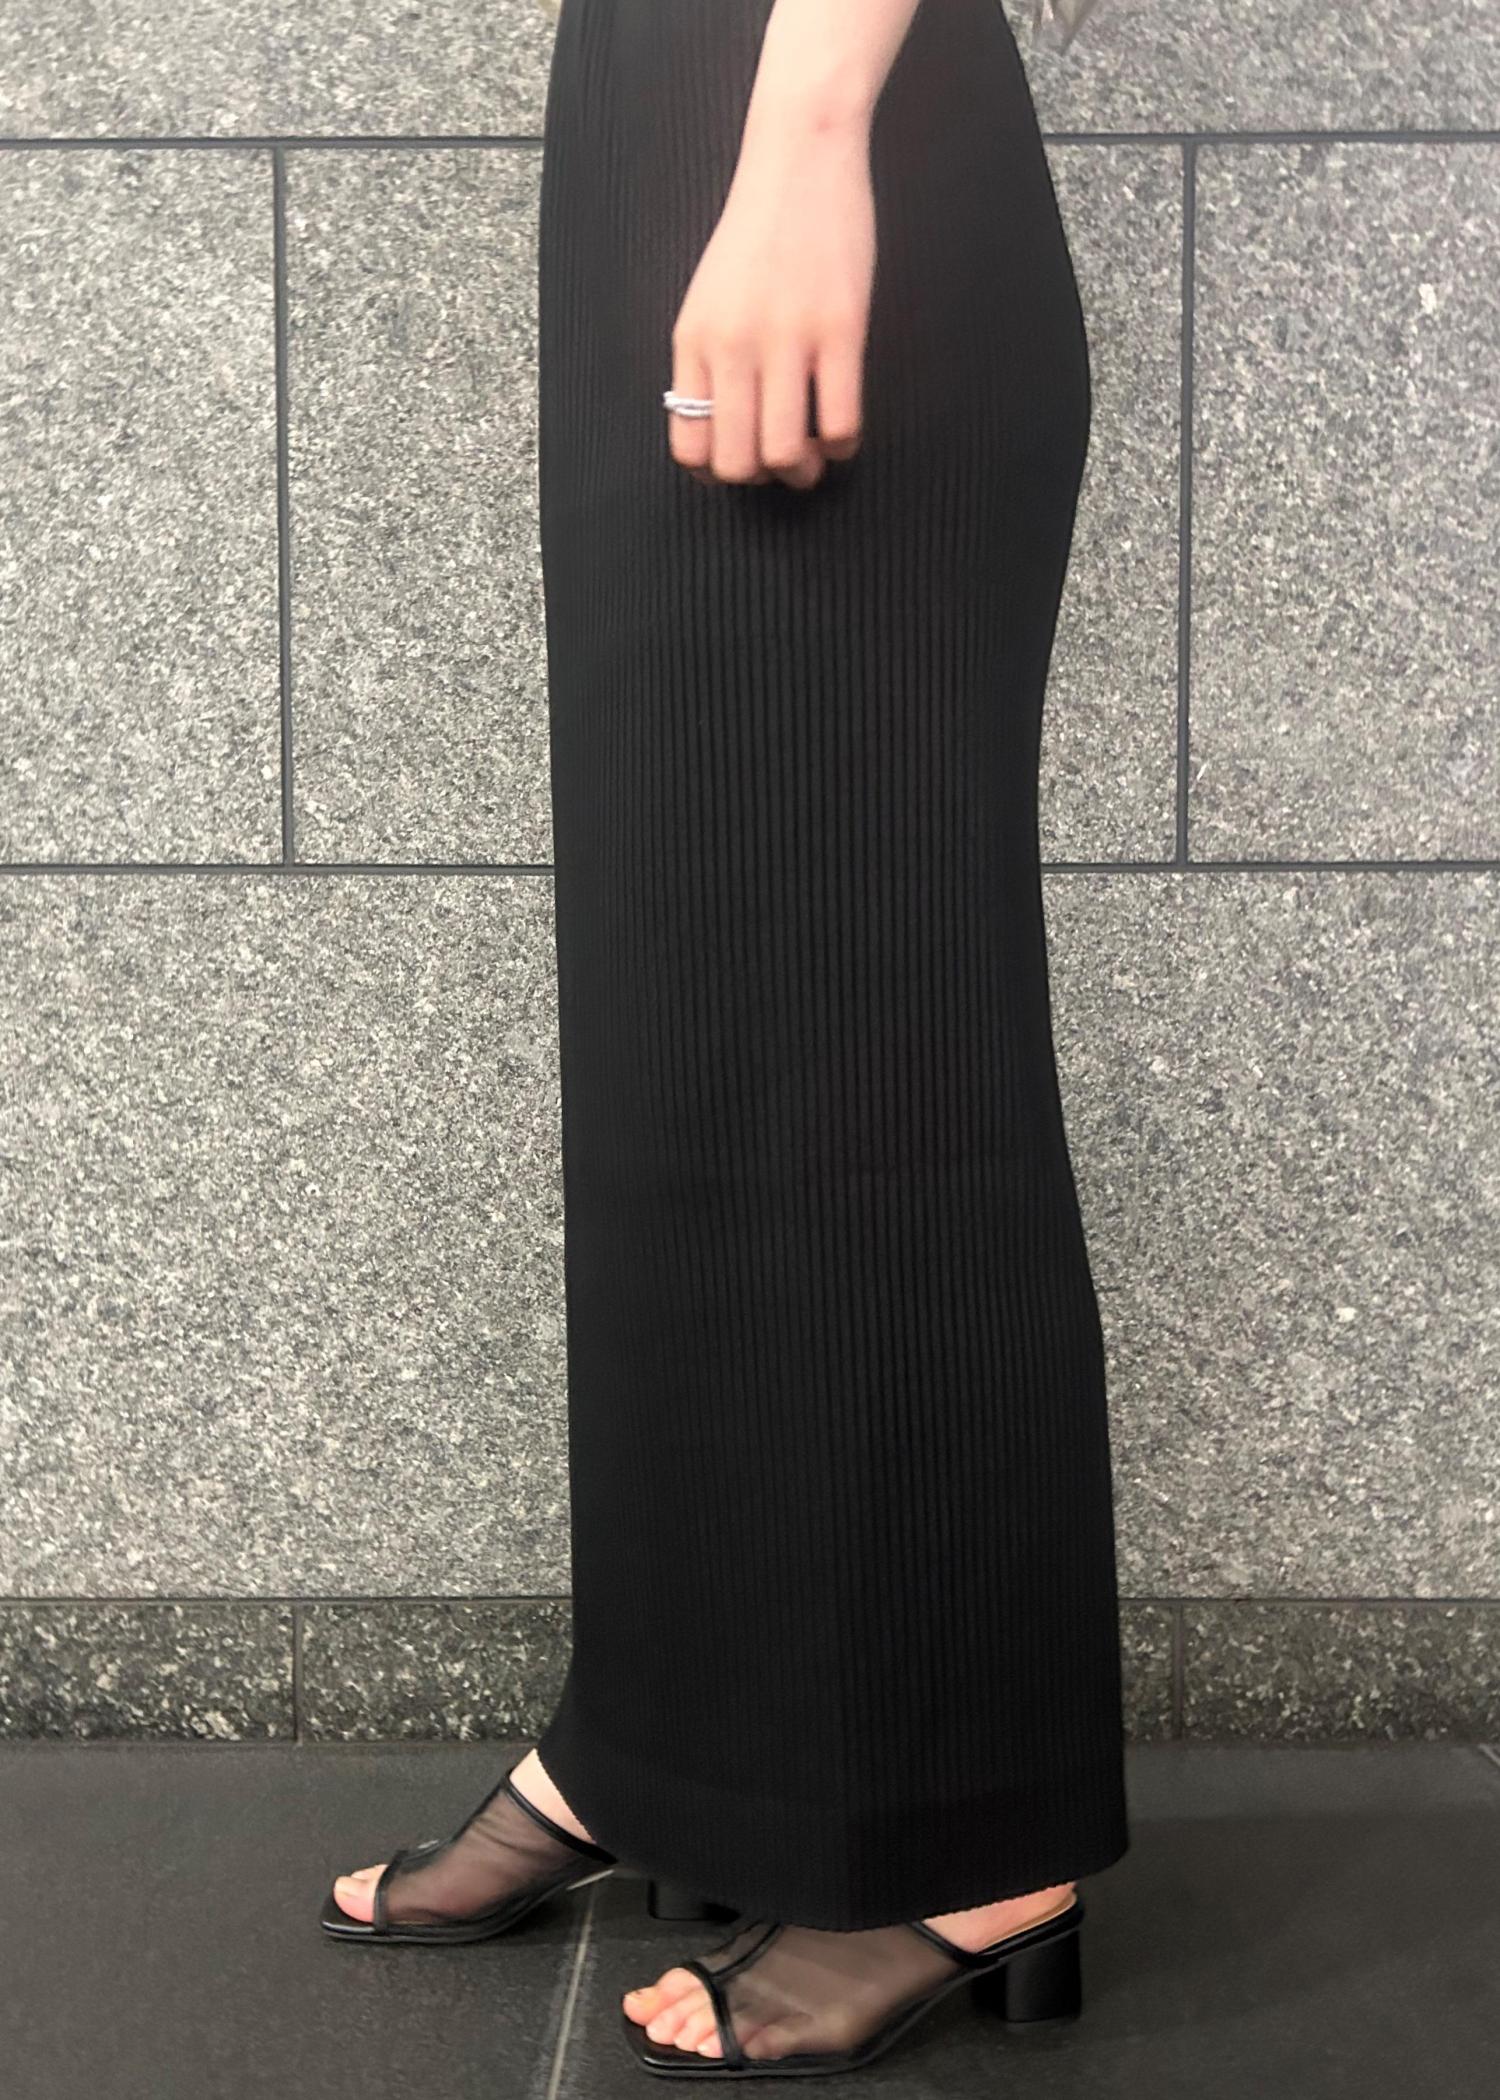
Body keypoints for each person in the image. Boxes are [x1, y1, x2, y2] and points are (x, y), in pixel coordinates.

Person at [318, 0, 1130, 2075]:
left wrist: (806, 134)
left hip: (809, 111)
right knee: (681, 1013)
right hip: (651, 130)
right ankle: (665, 1737)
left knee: (866, 1009)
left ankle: (973, 1825)